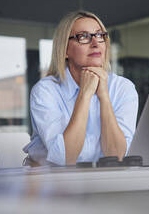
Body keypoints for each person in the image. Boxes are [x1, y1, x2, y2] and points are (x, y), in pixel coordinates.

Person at [23, 11, 138, 166]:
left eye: (99, 35)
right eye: (83, 37)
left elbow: (116, 156)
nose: (95, 43)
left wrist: (103, 96)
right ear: (64, 50)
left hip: (104, 182)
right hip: (52, 183)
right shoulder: (45, 91)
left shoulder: (123, 88)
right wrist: (85, 94)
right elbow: (65, 158)